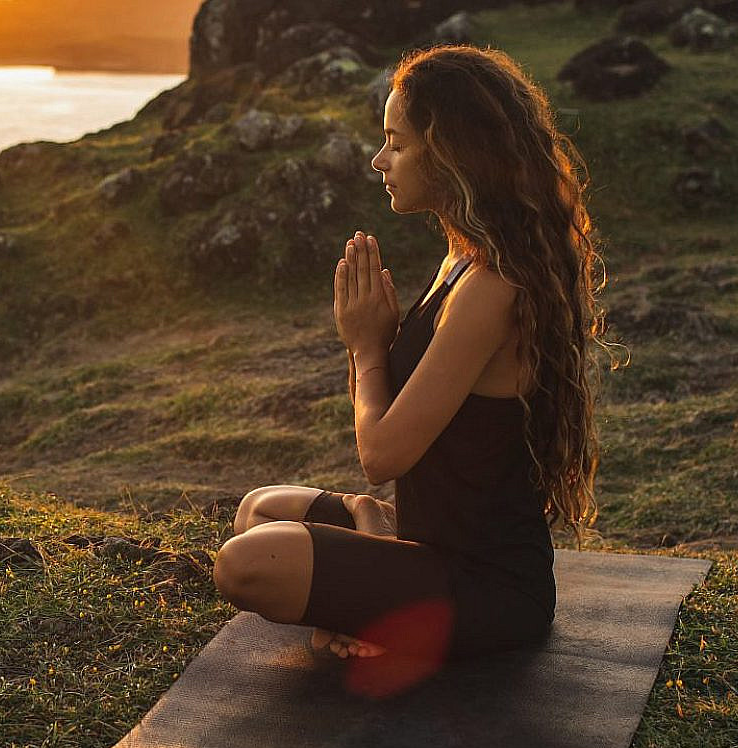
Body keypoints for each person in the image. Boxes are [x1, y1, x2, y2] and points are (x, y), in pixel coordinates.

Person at [211, 43, 615, 673]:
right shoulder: (462, 257)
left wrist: (366, 346)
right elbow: (397, 424)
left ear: (450, 151)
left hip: (486, 586)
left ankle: (382, 600)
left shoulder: (492, 286)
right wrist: (371, 346)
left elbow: (381, 456)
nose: (379, 160)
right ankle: (375, 545)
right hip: (424, 539)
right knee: (259, 508)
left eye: (396, 144)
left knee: (246, 564)